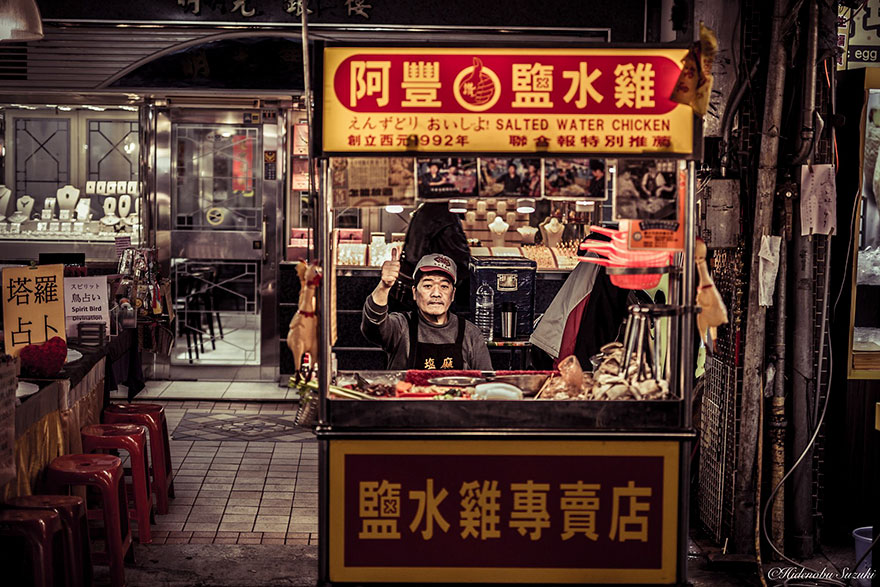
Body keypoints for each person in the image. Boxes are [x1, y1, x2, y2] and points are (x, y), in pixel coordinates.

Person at [362, 252, 493, 370]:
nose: (436, 293)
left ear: (452, 295)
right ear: (414, 292)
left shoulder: (470, 334)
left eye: (444, 286)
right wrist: (384, 287)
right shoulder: (401, 326)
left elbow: (486, 383)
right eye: (428, 285)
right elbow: (373, 325)